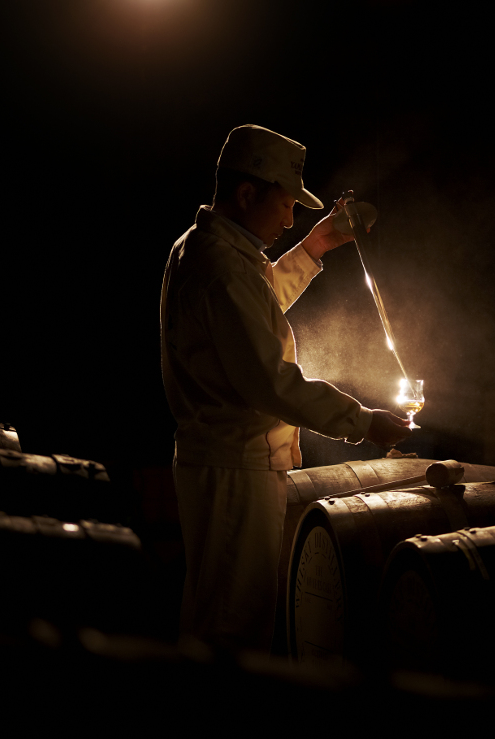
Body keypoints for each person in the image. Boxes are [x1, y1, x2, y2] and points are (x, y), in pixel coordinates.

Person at [160, 124, 412, 652]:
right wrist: (364, 421)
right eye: (286, 205)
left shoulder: (207, 250)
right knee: (233, 629)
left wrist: (316, 244)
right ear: (247, 193)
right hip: (236, 466)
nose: (289, 219)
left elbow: (256, 304)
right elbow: (272, 384)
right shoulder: (222, 269)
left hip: (220, 461)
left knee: (214, 613)